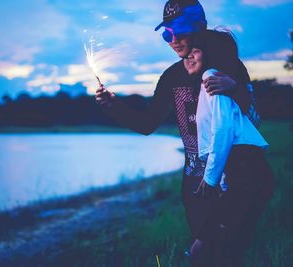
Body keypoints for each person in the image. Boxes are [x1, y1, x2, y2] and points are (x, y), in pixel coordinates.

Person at [95, 0, 261, 266]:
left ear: (200, 28)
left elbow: (253, 119)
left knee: (226, 256)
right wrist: (114, 107)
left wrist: (235, 88)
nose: (172, 40)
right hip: (195, 189)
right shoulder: (171, 78)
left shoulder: (229, 66)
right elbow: (147, 124)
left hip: (234, 184)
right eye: (166, 33)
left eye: (178, 30)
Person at [184, 33, 274, 266]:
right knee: (225, 250)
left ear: (211, 56)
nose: (188, 55)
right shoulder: (214, 82)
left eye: (196, 50)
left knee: (204, 249)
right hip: (244, 171)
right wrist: (222, 181)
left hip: (246, 171)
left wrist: (211, 178)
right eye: (188, 51)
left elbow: (222, 130)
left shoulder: (211, 77)